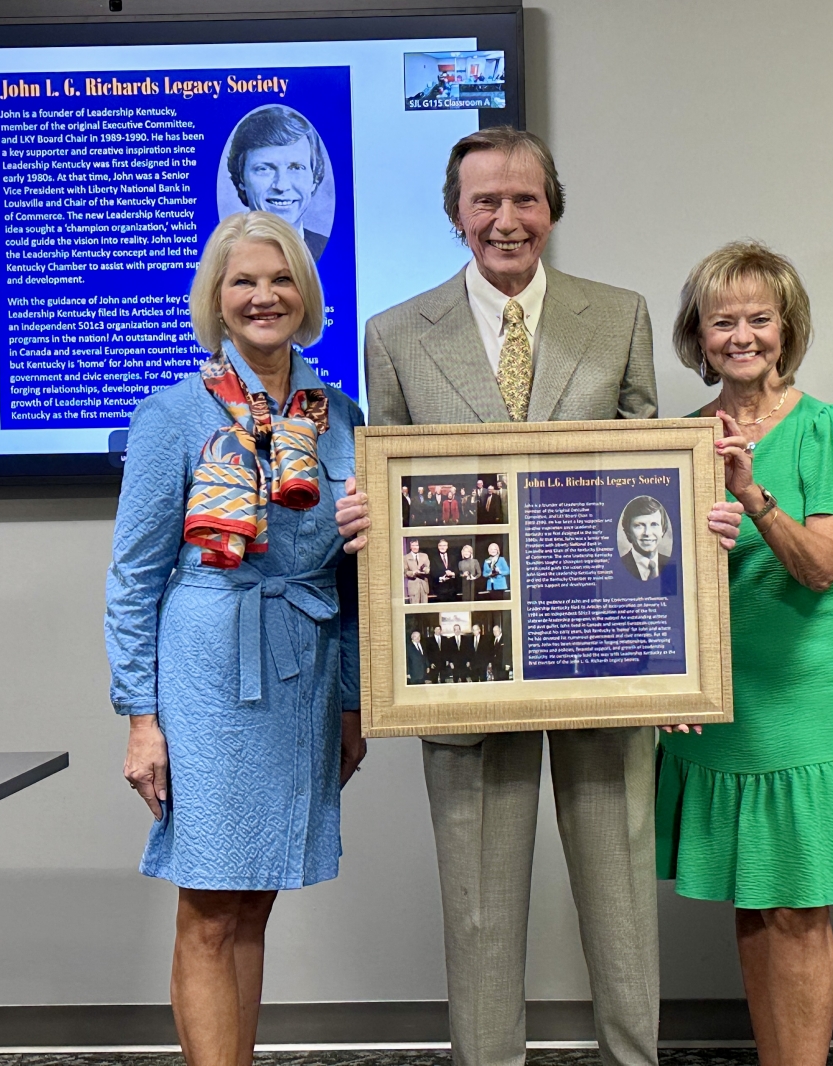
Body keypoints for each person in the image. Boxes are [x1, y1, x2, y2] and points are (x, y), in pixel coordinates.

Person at [336, 124, 667, 1066]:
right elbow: (395, 494)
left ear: (552, 209)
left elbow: (650, 481)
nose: (506, 219)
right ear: (456, 216)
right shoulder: (396, 334)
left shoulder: (623, 316)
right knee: (479, 914)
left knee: (623, 902)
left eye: (525, 199)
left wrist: (685, 573)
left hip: (603, 655)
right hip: (463, 665)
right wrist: (372, 521)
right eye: (486, 201)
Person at [106, 210, 365, 1066]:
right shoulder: (172, 416)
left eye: (281, 278)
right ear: (216, 301)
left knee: (254, 898)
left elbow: (354, 576)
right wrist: (141, 718)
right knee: (212, 904)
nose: (265, 296)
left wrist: (354, 702)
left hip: (305, 675)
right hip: (210, 679)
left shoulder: (340, 417)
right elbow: (135, 579)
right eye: (244, 281)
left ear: (306, 294)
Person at [656, 240, 833, 1066]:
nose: (742, 335)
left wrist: (751, 493)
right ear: (698, 334)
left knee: (799, 908)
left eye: (760, 318)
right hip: (720, 702)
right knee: (755, 901)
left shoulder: (829, 429)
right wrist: (669, 685)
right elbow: (649, 582)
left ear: (787, 328)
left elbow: (820, 566)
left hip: (803, 692)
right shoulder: (675, 439)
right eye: (722, 320)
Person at [226, 106, 330, 262]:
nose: (281, 186)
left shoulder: (328, 248)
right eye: (264, 169)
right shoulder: (222, 256)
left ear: (314, 180)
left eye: (296, 168)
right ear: (241, 179)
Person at [618, 496, 675, 590]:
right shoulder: (619, 567)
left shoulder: (670, 565)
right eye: (639, 526)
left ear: (663, 529)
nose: (647, 533)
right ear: (628, 531)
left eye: (654, 524)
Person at [404, 538, 430, 604]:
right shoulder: (406, 557)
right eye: (413, 545)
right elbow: (404, 572)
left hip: (424, 585)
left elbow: (428, 569)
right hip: (413, 586)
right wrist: (413, 572)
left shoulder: (424, 556)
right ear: (410, 547)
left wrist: (425, 570)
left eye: (417, 545)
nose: (415, 547)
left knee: (425, 607)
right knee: (414, 608)